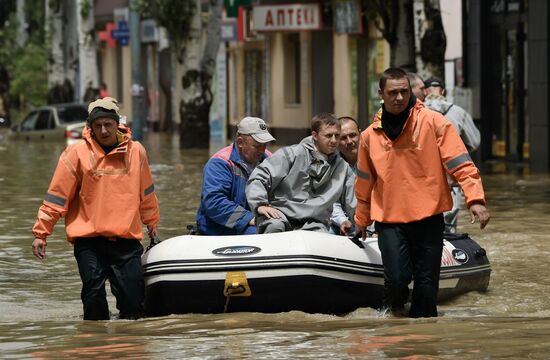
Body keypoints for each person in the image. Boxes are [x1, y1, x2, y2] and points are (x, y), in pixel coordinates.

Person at [354, 67, 490, 318]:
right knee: (396, 280)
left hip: (428, 217)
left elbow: (461, 164)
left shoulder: (434, 122)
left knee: (426, 291)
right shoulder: (368, 136)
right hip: (389, 219)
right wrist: (361, 219)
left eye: (404, 92)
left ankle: (423, 348)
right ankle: (393, 330)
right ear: (380, 94)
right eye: (392, 92)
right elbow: (365, 182)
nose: (398, 97)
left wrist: (475, 199)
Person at [31, 97, 160, 320]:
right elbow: (57, 196)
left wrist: (152, 223)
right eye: (97, 125)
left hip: (126, 241)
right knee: (94, 304)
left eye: (108, 124)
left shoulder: (136, 151)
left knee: (134, 307)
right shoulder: (76, 154)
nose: (103, 130)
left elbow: (146, 193)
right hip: (89, 242)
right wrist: (41, 233)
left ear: (117, 124)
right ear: (90, 127)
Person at [246, 113, 356, 233]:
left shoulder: (343, 168)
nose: (334, 140)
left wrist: (365, 226)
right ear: (315, 136)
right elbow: (259, 177)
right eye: (328, 135)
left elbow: (354, 202)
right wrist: (259, 204)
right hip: (281, 214)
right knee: (274, 227)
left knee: (319, 238)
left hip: (314, 222)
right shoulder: (291, 155)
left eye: (337, 135)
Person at [196, 116, 275, 235]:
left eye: (265, 145)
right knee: (262, 234)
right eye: (257, 145)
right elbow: (214, 203)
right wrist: (247, 219)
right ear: (240, 142)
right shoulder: (220, 163)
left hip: (256, 220)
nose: (262, 150)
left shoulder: (270, 159)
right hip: (220, 228)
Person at [424, 77, 481, 233]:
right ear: (443, 91)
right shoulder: (458, 112)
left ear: (424, 91)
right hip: (450, 183)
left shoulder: (414, 113)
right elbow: (475, 142)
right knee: (448, 230)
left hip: (422, 186)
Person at [330, 116, 360, 235]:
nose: (349, 141)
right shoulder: (331, 167)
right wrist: (343, 221)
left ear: (360, 134)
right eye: (343, 138)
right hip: (347, 228)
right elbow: (332, 202)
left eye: (353, 135)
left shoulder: (375, 161)